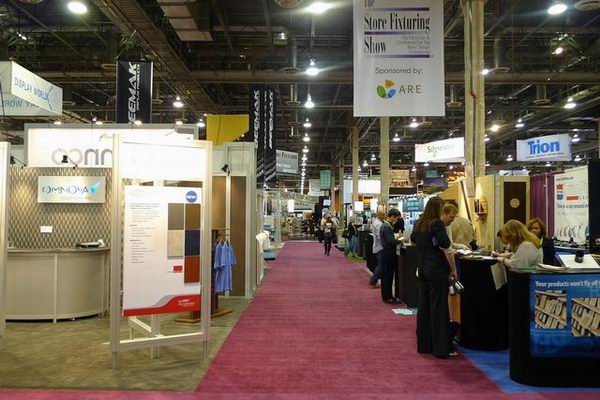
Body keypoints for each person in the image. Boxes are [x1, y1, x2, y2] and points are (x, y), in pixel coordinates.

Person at [410, 196, 457, 359]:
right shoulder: (436, 223)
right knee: (439, 308)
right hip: (436, 270)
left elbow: (413, 240)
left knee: (424, 308)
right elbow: (446, 246)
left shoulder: (419, 223)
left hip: (423, 269)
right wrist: (453, 269)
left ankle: (425, 345)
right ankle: (441, 348)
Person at [380, 208, 403, 304]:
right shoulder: (387, 227)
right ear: (392, 216)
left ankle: (387, 296)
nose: (396, 221)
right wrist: (400, 241)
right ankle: (388, 297)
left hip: (387, 253)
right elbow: (390, 241)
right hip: (388, 254)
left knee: (387, 276)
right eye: (396, 218)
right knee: (387, 276)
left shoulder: (386, 225)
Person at [369, 210, 385, 288]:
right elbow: (380, 236)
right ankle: (373, 280)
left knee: (380, 265)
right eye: (383, 215)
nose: (384, 217)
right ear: (380, 215)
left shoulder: (375, 222)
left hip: (377, 246)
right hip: (380, 247)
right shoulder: (379, 224)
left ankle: (374, 281)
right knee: (380, 266)